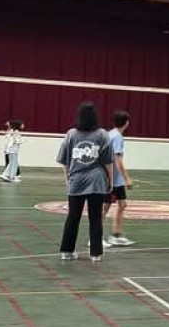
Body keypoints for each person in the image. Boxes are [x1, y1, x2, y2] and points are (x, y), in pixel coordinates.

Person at [57, 102, 114, 262]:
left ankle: (66, 251)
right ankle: (96, 254)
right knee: (95, 217)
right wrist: (110, 180)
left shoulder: (71, 134)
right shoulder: (102, 134)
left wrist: (67, 179)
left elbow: (64, 160)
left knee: (73, 216)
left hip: (76, 180)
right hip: (97, 181)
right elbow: (108, 161)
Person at [105, 111, 133, 247]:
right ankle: (94, 238)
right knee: (105, 208)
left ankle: (116, 235)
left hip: (116, 180)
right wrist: (126, 178)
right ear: (126, 123)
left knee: (122, 205)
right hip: (112, 180)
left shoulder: (110, 134)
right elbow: (118, 159)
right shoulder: (117, 137)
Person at [0, 119, 24, 183]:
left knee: (12, 163)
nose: (23, 126)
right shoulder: (15, 132)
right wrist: (20, 141)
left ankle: (9, 176)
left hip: (13, 150)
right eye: (22, 124)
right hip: (13, 151)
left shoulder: (14, 132)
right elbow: (14, 141)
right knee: (13, 164)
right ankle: (9, 176)